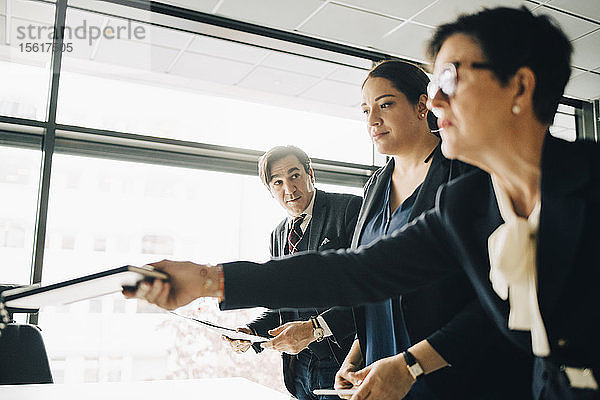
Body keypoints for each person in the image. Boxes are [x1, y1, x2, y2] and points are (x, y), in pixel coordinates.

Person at [125, 7, 599, 400]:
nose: (433, 99)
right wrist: (210, 280)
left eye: (450, 78)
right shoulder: (465, 204)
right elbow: (356, 271)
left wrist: (412, 365)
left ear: (519, 86)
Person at [335, 59, 531, 400]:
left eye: (385, 104)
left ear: (421, 105)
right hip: (382, 379)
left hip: (453, 377)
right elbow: (376, 288)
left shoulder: (467, 171)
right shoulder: (374, 187)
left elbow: (496, 295)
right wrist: (356, 356)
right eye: (366, 109)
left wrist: (412, 364)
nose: (372, 120)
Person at [223, 145, 361, 400]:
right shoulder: (277, 235)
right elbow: (282, 304)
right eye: (278, 182)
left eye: (294, 175)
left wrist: (314, 329)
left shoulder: (349, 210)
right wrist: (251, 333)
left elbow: (367, 291)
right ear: (270, 190)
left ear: (311, 173)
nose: (289, 188)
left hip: (343, 361)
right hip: (299, 368)